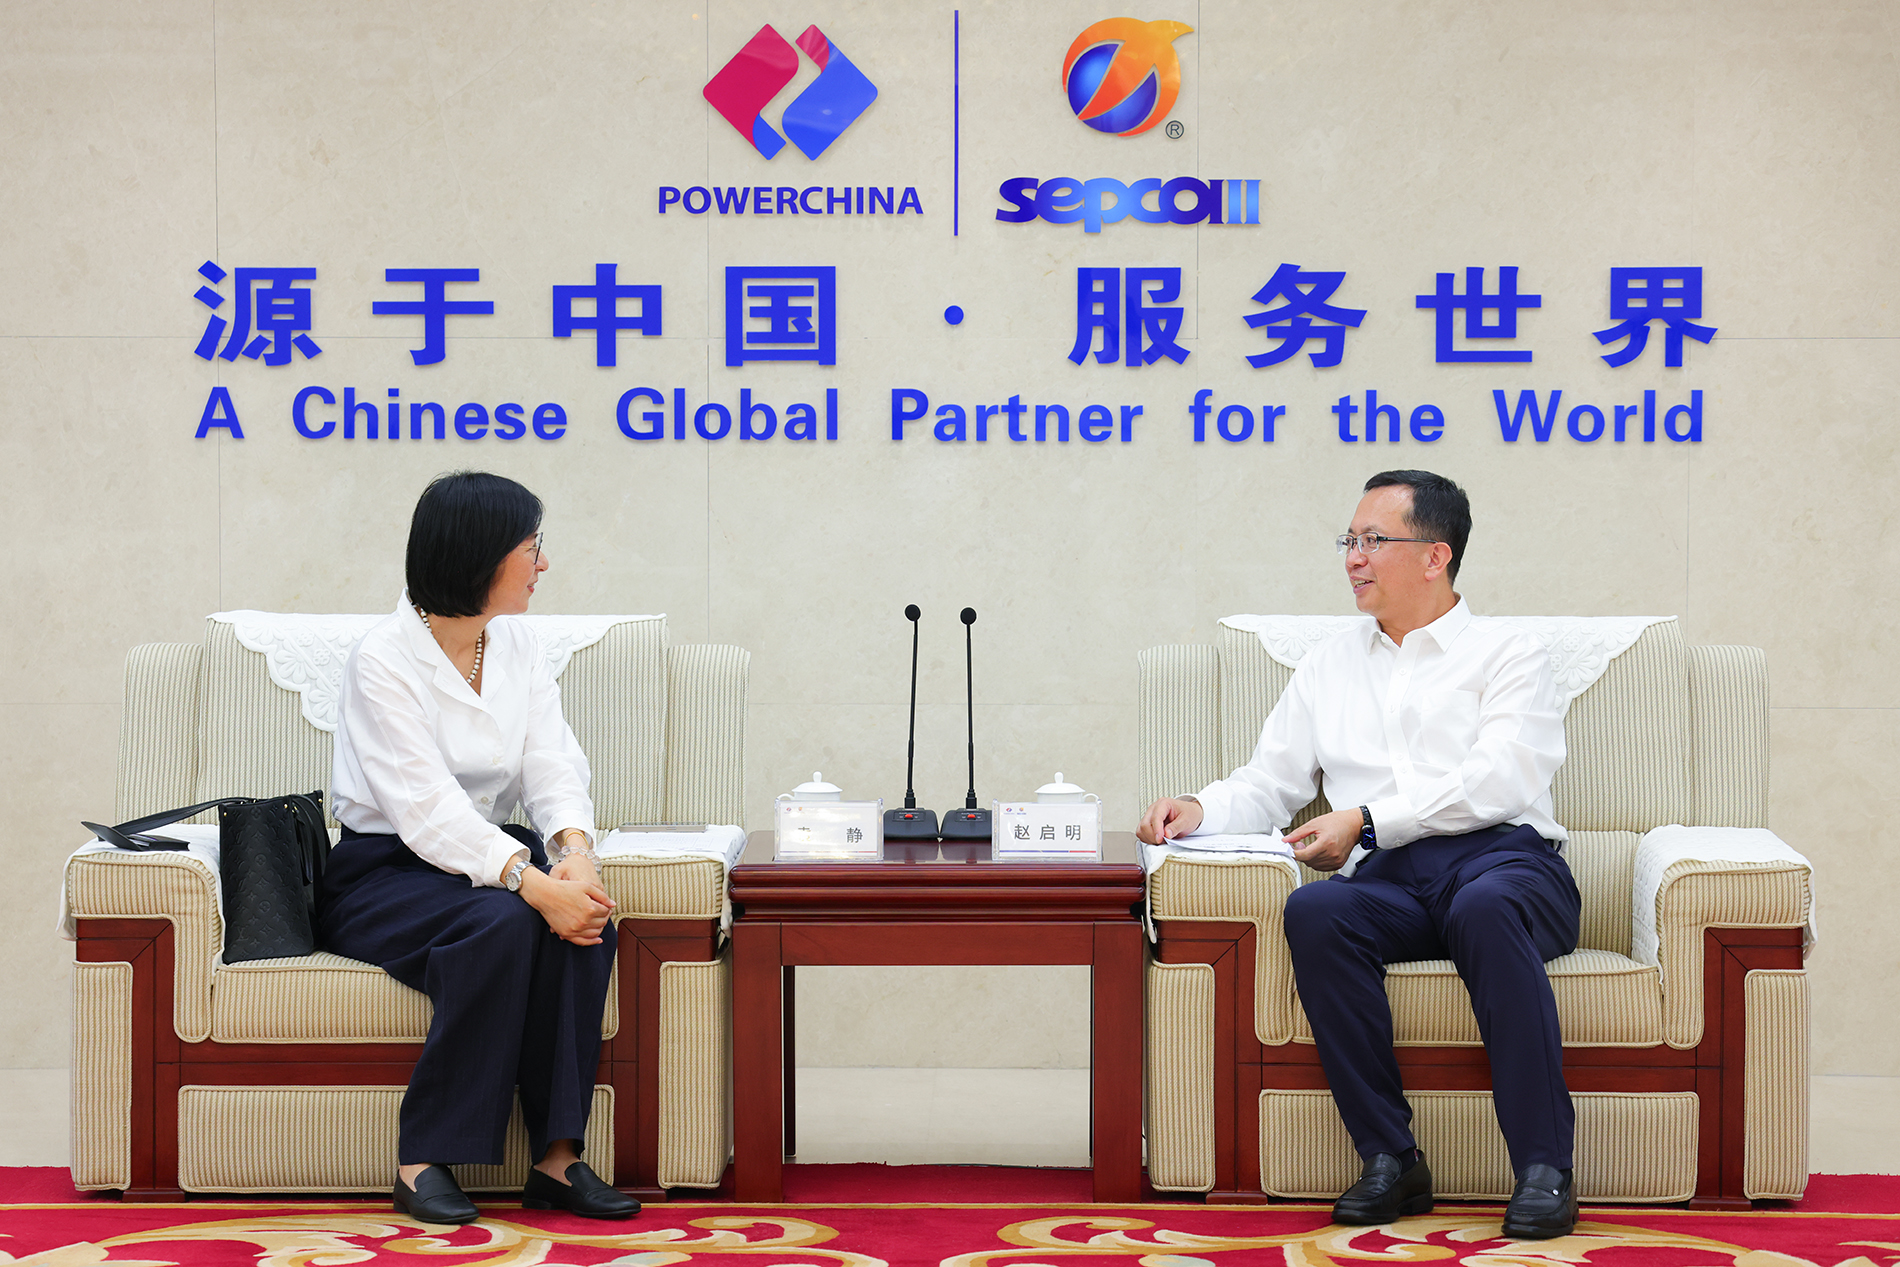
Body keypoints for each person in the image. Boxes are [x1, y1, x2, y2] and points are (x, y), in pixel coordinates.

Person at [1138, 470, 1581, 1239]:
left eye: (1374, 540)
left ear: (1436, 555)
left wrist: (1369, 819)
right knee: (1318, 910)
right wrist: (1199, 808)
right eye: (1350, 540)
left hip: (1506, 866)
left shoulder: (1508, 653)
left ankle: (1545, 1167)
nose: (1353, 557)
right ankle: (1391, 1158)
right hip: (1396, 883)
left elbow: (1500, 781)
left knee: (1483, 906)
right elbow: (1270, 782)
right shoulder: (1329, 664)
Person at [318, 471, 639, 1224]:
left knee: (584, 917)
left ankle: (558, 1159)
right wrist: (534, 884)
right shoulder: (382, 658)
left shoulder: (517, 643)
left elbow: (551, 761)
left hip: (492, 854)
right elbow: (424, 809)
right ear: (479, 557)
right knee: (505, 923)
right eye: (531, 548)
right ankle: (422, 1159)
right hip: (385, 870)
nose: (543, 564)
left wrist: (574, 851)